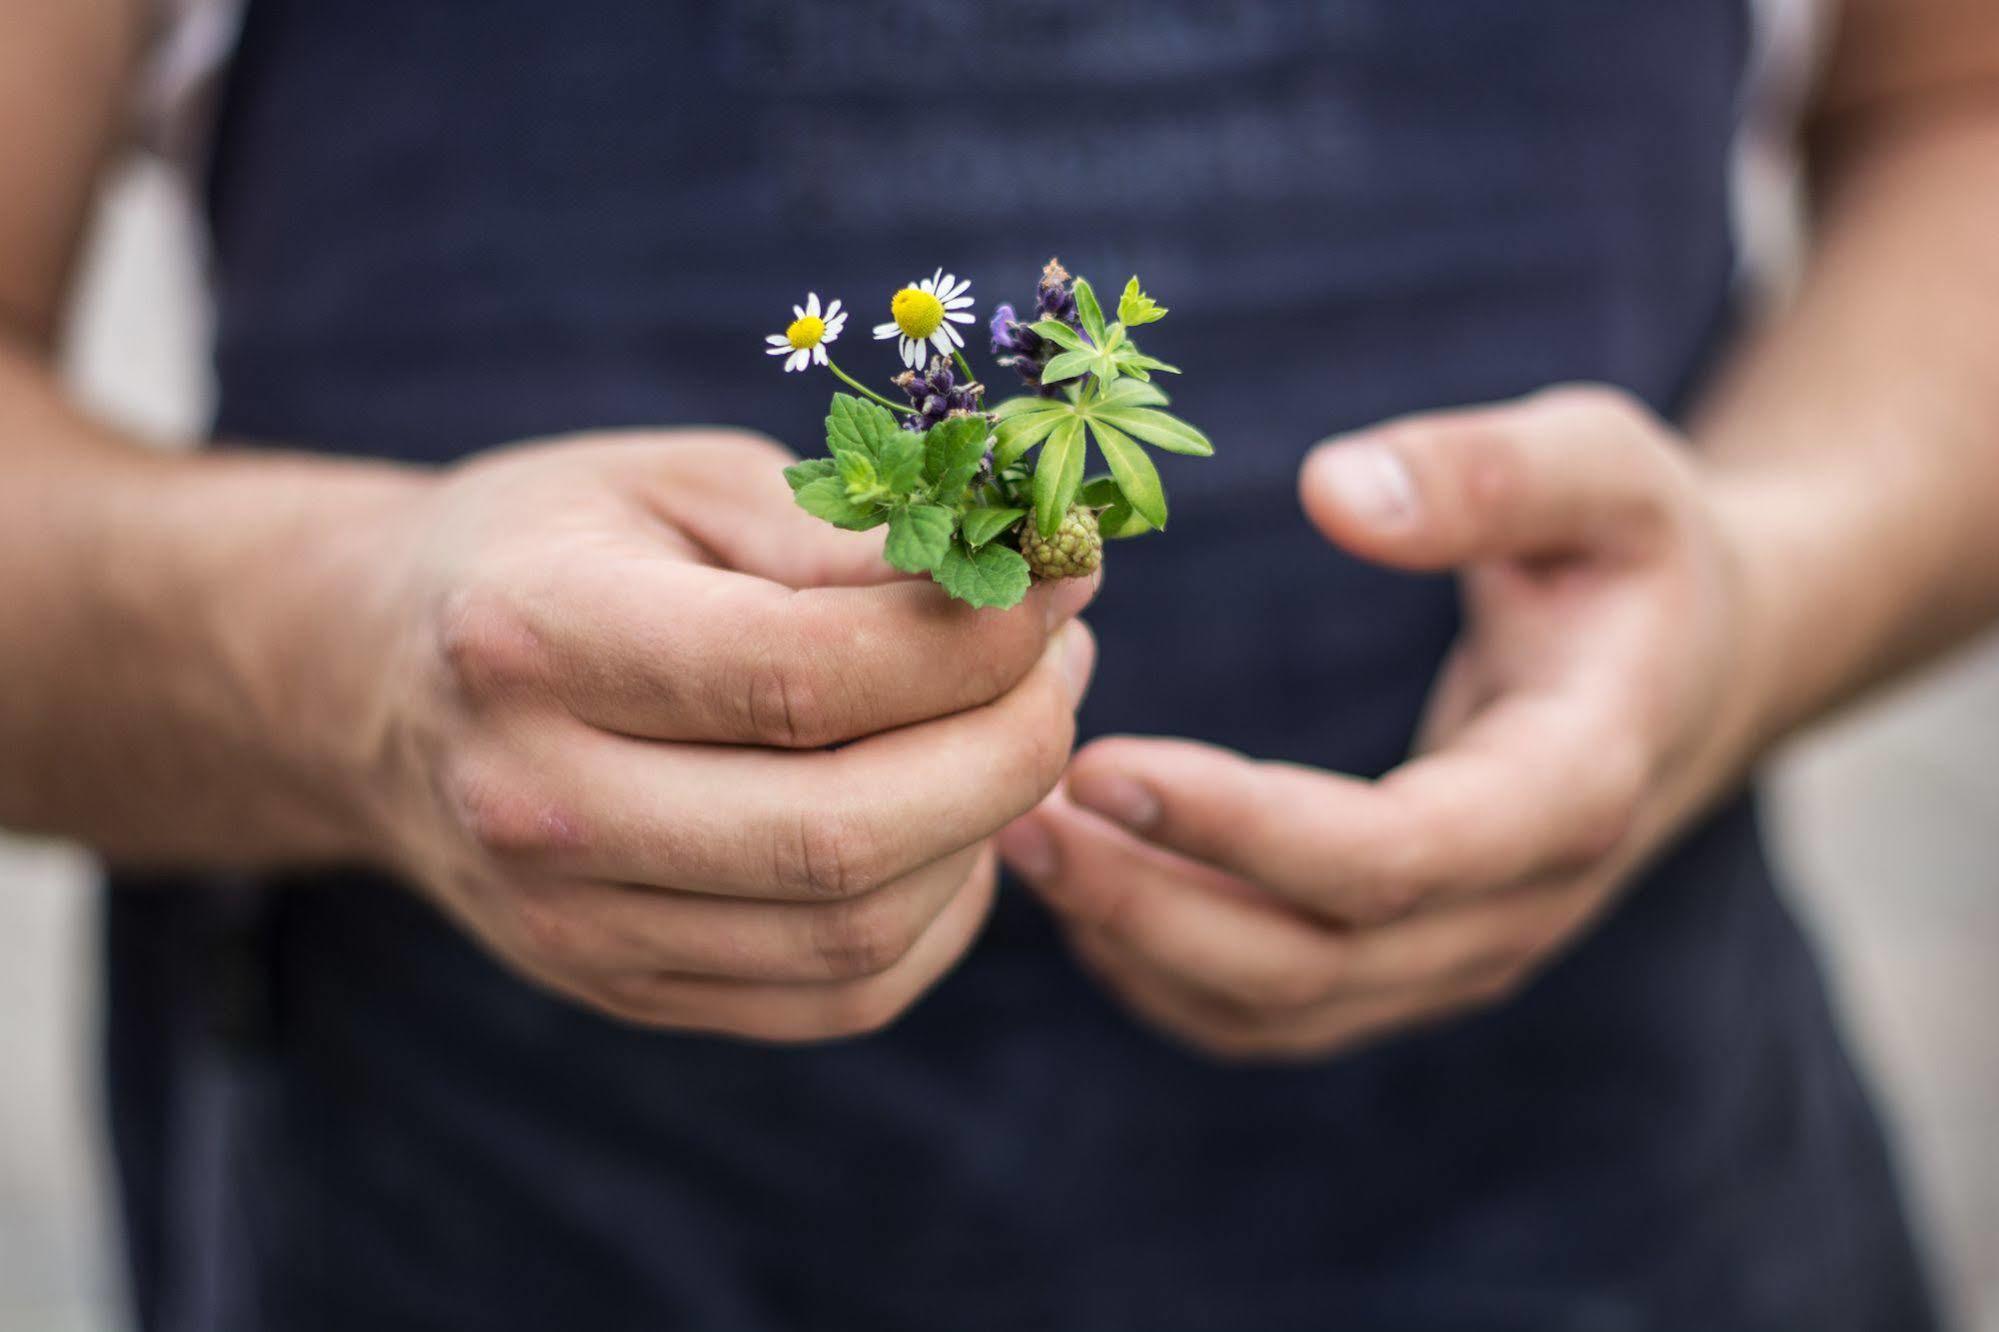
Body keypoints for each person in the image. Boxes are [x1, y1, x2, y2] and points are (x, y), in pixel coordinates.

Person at [3, 0, 1995, 1327]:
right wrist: (346, 652)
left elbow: (1955, 109)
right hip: (488, 1215)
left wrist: (1754, 590)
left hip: (1606, 1211)